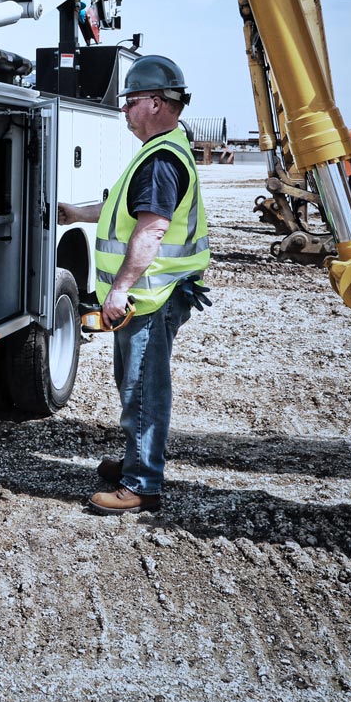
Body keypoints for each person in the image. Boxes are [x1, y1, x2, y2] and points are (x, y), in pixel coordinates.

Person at [57, 54, 210, 515]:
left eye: (132, 101)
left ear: (159, 104)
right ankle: (134, 461)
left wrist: (119, 289)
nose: (124, 109)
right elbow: (126, 213)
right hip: (155, 295)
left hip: (149, 297)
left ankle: (142, 483)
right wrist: (77, 214)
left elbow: (151, 231)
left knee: (142, 389)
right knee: (133, 381)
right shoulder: (160, 149)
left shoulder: (162, 160)